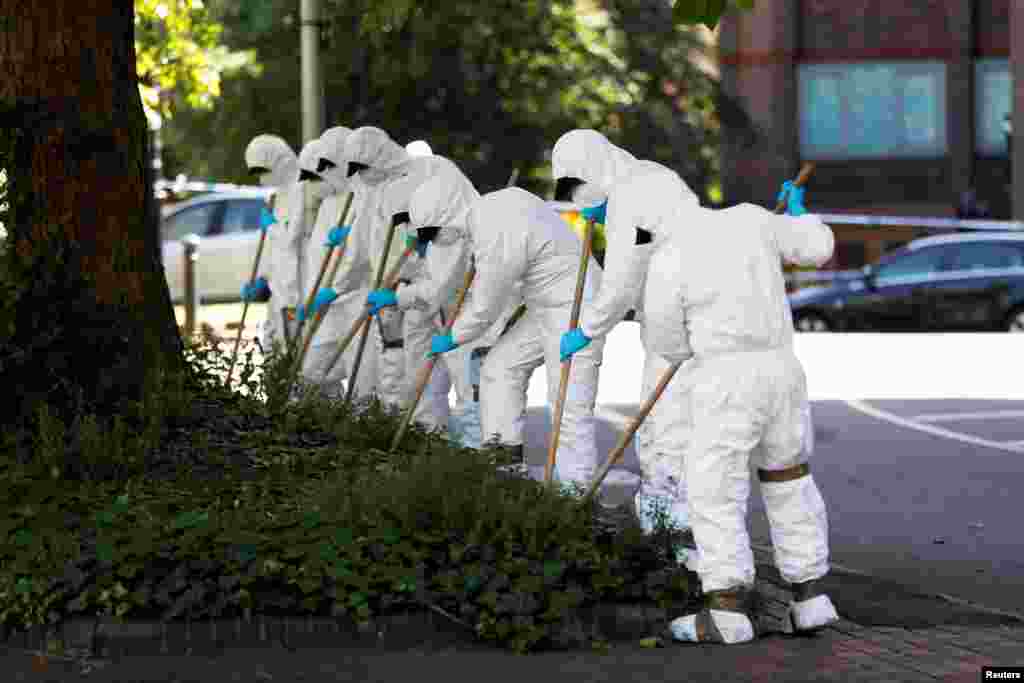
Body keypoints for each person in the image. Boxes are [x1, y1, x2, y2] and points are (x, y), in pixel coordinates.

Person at [641, 182, 839, 645]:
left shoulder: (669, 257)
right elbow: (817, 248)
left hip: (726, 378)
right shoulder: (752, 219)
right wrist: (799, 216)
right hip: (783, 371)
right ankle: (808, 599)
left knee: (715, 489)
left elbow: (667, 342)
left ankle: (726, 609)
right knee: (788, 478)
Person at [551, 129, 697, 557]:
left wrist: (586, 330)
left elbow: (619, 284)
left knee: (669, 427)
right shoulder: (644, 180)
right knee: (656, 424)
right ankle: (659, 523)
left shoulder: (632, 196)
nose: (580, 199)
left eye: (580, 188)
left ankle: (678, 543)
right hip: (674, 319)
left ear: (595, 171)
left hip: (683, 324)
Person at [414, 181, 604, 486]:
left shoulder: (492, 224)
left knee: (568, 401)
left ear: (447, 215)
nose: (436, 241)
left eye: (433, 233)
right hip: (545, 305)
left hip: (577, 305)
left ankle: (576, 492)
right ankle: (504, 458)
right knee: (500, 367)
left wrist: (454, 336)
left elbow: (487, 304)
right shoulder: (488, 214)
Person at [365, 157, 524, 446]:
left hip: (474, 318)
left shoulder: (459, 229)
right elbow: (427, 277)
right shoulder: (435, 219)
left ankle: (481, 461)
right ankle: (433, 445)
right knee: (428, 386)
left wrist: (398, 297)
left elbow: (438, 287)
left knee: (473, 394)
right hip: (445, 313)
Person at [292, 125, 378, 401]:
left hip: (355, 300)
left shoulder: (365, 197)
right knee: (312, 370)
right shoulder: (331, 203)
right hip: (325, 304)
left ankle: (359, 429)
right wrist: (310, 298)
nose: (325, 173)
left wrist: (336, 288)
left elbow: (360, 258)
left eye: (330, 166)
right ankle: (324, 423)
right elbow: (318, 258)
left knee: (361, 377)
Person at [241, 134, 298, 349]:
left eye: (262, 171)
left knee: (302, 361)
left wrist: (273, 227)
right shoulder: (277, 196)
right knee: (273, 352)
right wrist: (262, 277)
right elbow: (271, 249)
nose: (260, 179)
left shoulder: (303, 191)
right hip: (278, 291)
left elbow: (293, 240)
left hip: (296, 292)